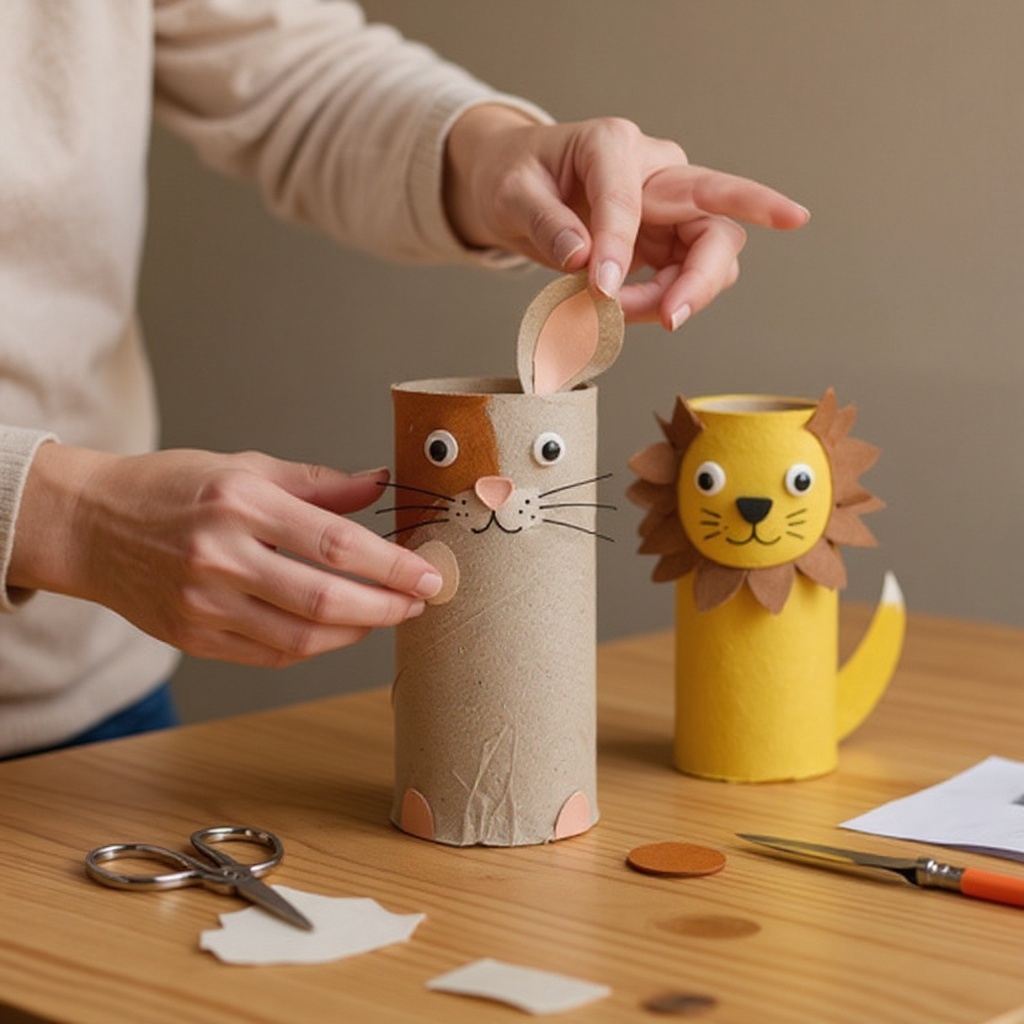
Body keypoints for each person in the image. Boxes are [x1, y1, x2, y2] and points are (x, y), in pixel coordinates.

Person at [0, 0, 808, 759]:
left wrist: (491, 153)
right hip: (79, 620)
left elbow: (287, 66)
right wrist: (61, 518)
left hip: (81, 688)